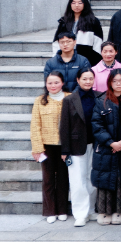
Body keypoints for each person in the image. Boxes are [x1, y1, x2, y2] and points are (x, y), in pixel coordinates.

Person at [91, 70, 121, 225]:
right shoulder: (101, 100)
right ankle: (104, 211)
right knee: (106, 178)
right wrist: (111, 143)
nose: (118, 84)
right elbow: (96, 125)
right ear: (109, 82)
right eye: (115, 81)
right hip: (106, 148)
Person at [59, 69, 98, 226]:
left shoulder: (99, 96)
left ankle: (91, 210)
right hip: (76, 145)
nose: (88, 82)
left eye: (91, 79)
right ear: (78, 80)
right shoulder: (70, 99)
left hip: (96, 144)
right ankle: (80, 214)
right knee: (77, 180)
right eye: (84, 79)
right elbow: (64, 126)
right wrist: (65, 149)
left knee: (92, 178)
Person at [31, 72, 70, 223]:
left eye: (56, 82)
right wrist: (37, 148)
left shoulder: (70, 98)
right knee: (48, 179)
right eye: (50, 83)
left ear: (63, 83)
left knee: (63, 178)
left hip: (64, 146)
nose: (53, 86)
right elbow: (35, 125)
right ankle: (50, 211)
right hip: (47, 145)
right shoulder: (40, 100)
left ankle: (62, 209)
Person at [55, 0, 104, 65]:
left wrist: (94, 63)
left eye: (80, 3)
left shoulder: (93, 21)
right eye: (73, 3)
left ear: (85, 4)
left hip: (86, 60)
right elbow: (56, 41)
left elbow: (98, 44)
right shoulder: (64, 21)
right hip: (66, 60)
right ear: (70, 4)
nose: (76, 5)